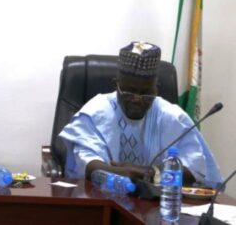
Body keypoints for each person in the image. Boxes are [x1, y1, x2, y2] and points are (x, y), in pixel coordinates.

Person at [58, 42, 222, 188]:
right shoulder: (96, 111)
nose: (137, 99)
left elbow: (194, 169)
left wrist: (152, 173)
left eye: (146, 93)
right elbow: (87, 164)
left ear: (156, 88)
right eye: (129, 91)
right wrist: (122, 173)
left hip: (157, 207)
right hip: (104, 198)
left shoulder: (172, 117)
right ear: (116, 84)